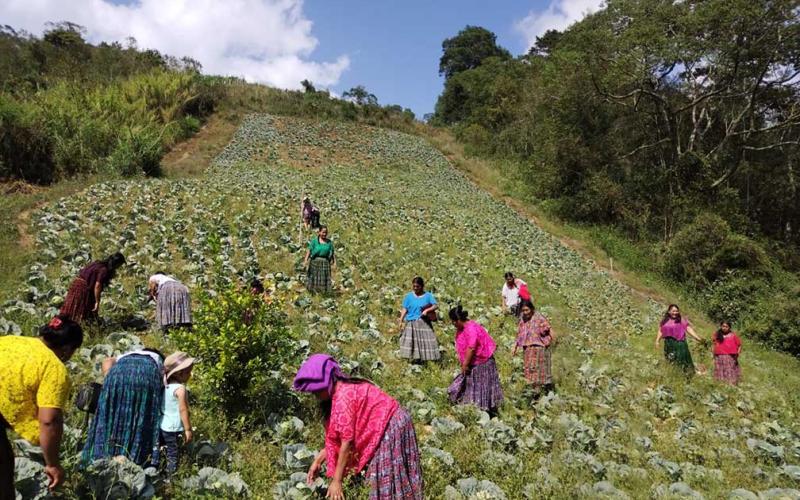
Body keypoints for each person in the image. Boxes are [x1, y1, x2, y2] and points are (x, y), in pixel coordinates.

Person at [294, 354, 422, 500]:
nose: (315, 395)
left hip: (391, 425)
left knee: (384, 475)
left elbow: (346, 442)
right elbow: (337, 438)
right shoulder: (338, 390)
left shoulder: (343, 398)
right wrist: (318, 461)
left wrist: (337, 481)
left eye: (317, 390)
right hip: (386, 422)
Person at [0, 315, 83, 498]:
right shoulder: (53, 367)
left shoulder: (10, 341)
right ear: (67, 348)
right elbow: (49, 420)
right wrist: (52, 464)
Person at [81, 348, 166, 467]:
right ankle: (135, 457)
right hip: (146, 375)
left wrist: (109, 379)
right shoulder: (158, 360)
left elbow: (107, 361)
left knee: (112, 415)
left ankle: (102, 455)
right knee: (142, 415)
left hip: (117, 373)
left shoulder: (126, 355)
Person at [447, 306, 504, 416]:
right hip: (473, 362)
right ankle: (475, 409)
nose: (452, 324)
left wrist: (465, 364)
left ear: (457, 320)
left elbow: (471, 347)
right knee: (472, 385)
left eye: (453, 321)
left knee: (482, 386)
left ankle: (484, 410)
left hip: (482, 363)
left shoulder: (471, 328)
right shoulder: (463, 327)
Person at [60, 252, 126, 322]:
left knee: (71, 307)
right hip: (83, 289)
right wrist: (97, 302)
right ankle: (77, 323)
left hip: (76, 284)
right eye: (119, 265)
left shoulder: (97, 263)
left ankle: (66, 322)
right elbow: (97, 286)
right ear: (116, 264)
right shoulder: (104, 270)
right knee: (82, 309)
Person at [160, 352, 196, 476]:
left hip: (163, 425)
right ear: (179, 373)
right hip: (174, 428)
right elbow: (183, 409)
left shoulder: (165, 387)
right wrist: (188, 429)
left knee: (166, 450)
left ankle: (160, 470)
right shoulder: (180, 389)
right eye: (188, 372)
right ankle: (170, 477)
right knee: (173, 454)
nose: (190, 375)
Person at [513, 300, 555, 397]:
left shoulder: (539, 318)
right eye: (523, 310)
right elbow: (520, 333)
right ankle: (533, 392)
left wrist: (553, 342)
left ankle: (539, 392)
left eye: (527, 310)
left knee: (538, 370)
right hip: (528, 349)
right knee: (529, 369)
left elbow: (549, 329)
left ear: (531, 309)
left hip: (539, 348)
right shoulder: (523, 319)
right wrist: (515, 346)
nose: (525, 312)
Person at [398, 277, 441, 362]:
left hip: (423, 322)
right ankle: (413, 359)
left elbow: (435, 305)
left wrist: (427, 310)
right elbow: (405, 308)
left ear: (422, 286)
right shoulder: (409, 296)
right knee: (411, 342)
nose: (415, 288)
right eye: (414, 286)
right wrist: (401, 319)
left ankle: (427, 360)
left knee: (426, 341)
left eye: (417, 286)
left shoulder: (428, 296)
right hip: (411, 322)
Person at [655, 304, 703, 374]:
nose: (675, 313)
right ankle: (674, 373)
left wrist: (697, 338)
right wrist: (657, 340)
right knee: (670, 359)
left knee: (682, 360)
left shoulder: (681, 320)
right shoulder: (664, 321)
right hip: (668, 343)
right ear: (669, 311)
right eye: (673, 311)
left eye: (676, 311)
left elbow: (688, 329)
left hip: (679, 343)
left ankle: (687, 374)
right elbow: (660, 330)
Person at [304, 226, 335, 293]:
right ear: (319, 232)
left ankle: (323, 292)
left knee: (323, 277)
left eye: (326, 232)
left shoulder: (329, 242)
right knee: (314, 276)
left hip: (325, 262)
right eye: (323, 232)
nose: (324, 234)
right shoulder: (314, 241)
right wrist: (306, 260)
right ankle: (313, 291)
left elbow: (332, 252)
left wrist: (334, 262)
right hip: (315, 261)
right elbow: (309, 250)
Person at [712, 321, 742, 385]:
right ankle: (720, 382)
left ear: (729, 327)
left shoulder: (733, 335)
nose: (724, 328)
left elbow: (739, 345)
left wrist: (737, 354)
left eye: (726, 326)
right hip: (719, 355)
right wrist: (713, 354)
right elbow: (714, 344)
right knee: (720, 369)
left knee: (729, 369)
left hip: (730, 356)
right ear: (721, 326)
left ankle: (731, 383)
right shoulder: (717, 334)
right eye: (723, 326)